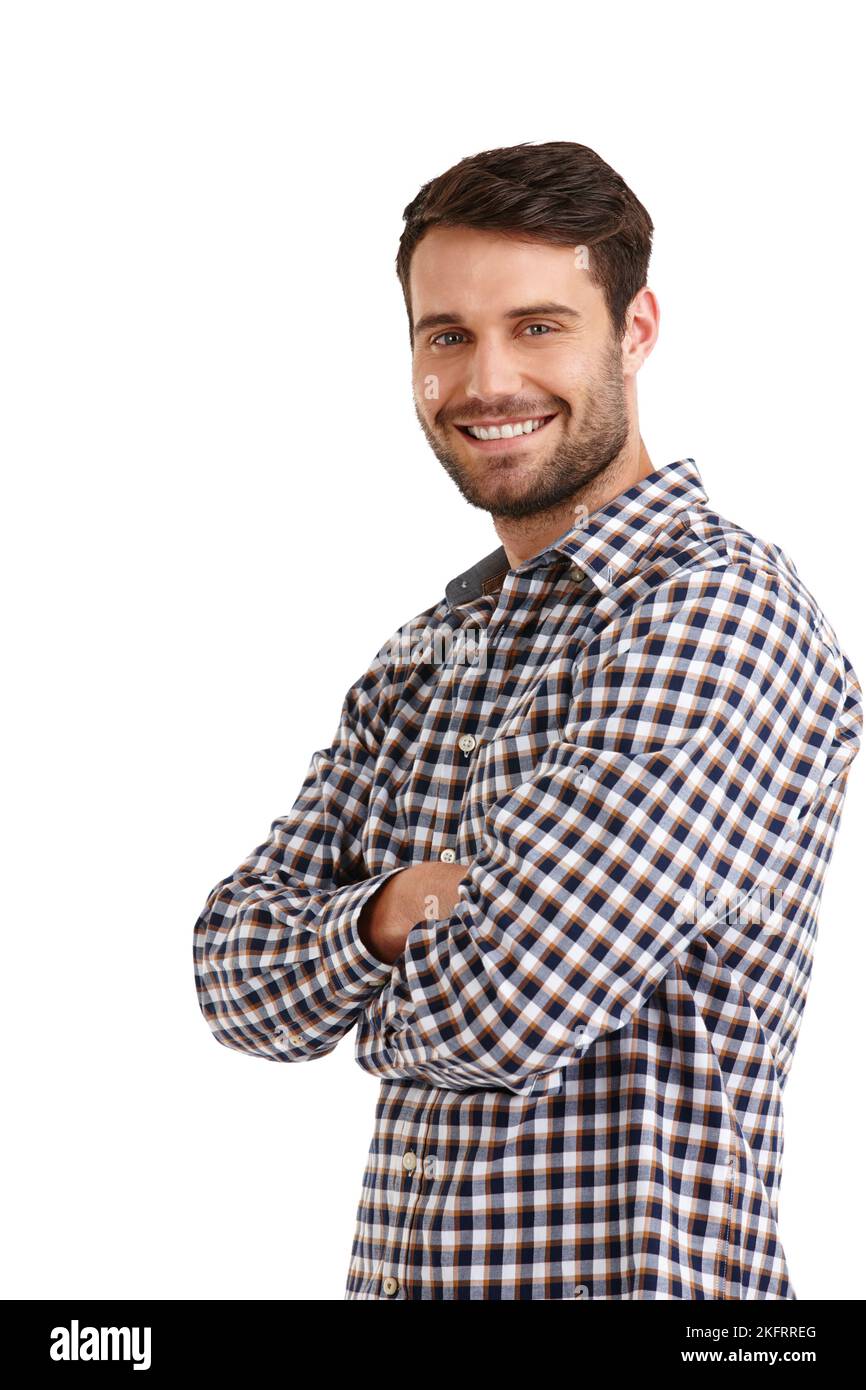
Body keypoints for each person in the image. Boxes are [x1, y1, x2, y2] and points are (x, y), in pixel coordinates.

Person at [192, 141, 862, 1300]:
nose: (487, 378)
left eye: (538, 325)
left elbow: (509, 1002)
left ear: (634, 329)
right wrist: (406, 902)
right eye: (445, 335)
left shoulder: (715, 607)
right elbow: (229, 970)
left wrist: (365, 976)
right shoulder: (427, 654)